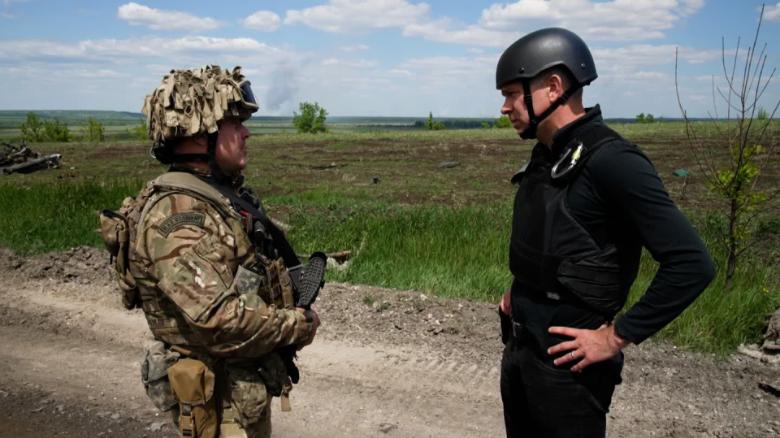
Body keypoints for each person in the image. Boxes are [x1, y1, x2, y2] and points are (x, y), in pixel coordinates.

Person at [495, 28, 715, 437]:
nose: (505, 107)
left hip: (570, 373)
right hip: (522, 350)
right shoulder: (547, 154)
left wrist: (615, 337)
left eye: (511, 93)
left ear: (553, 86)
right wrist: (522, 287)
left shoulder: (614, 161)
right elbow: (558, 240)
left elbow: (692, 263)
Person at [99, 66, 319, 438]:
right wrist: (296, 324)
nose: (246, 132)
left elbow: (240, 281)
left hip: (236, 392)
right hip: (218, 403)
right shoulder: (179, 217)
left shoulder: (218, 199)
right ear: (202, 134)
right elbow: (218, 319)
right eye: (235, 123)